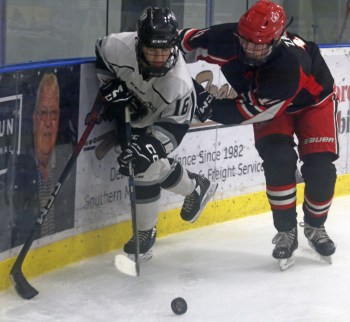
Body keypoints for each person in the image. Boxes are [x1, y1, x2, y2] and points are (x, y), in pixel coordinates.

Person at [179, 0, 338, 269]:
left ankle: (314, 225)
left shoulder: (288, 67)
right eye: (246, 40)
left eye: (260, 43)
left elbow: (243, 111)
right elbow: (178, 43)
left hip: (314, 101)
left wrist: (209, 106)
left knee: (321, 169)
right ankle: (286, 231)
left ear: (276, 40)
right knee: (278, 159)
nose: (250, 48)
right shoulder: (226, 39)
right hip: (272, 103)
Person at [95, 7, 218, 261]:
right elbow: (101, 55)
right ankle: (196, 186)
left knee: (143, 163)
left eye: (165, 50)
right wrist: (112, 86)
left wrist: (150, 147)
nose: (159, 57)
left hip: (161, 118)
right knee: (141, 164)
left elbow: (175, 127)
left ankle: (144, 233)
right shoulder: (118, 46)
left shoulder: (180, 84)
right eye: (152, 50)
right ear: (139, 43)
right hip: (131, 110)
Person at [9, 73, 75, 246]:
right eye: (43, 113)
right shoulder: (19, 169)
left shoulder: (67, 166)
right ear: (34, 118)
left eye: (53, 114)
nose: (48, 122)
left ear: (59, 118)